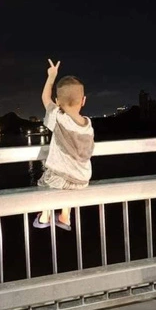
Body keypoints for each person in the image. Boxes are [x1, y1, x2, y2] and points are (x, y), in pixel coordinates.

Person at [32, 59, 94, 231]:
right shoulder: (88, 124)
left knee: (47, 181)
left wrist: (51, 77)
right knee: (68, 176)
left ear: (58, 102)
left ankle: (44, 217)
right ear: (83, 100)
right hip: (82, 179)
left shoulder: (58, 117)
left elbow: (45, 97)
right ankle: (65, 217)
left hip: (60, 179)